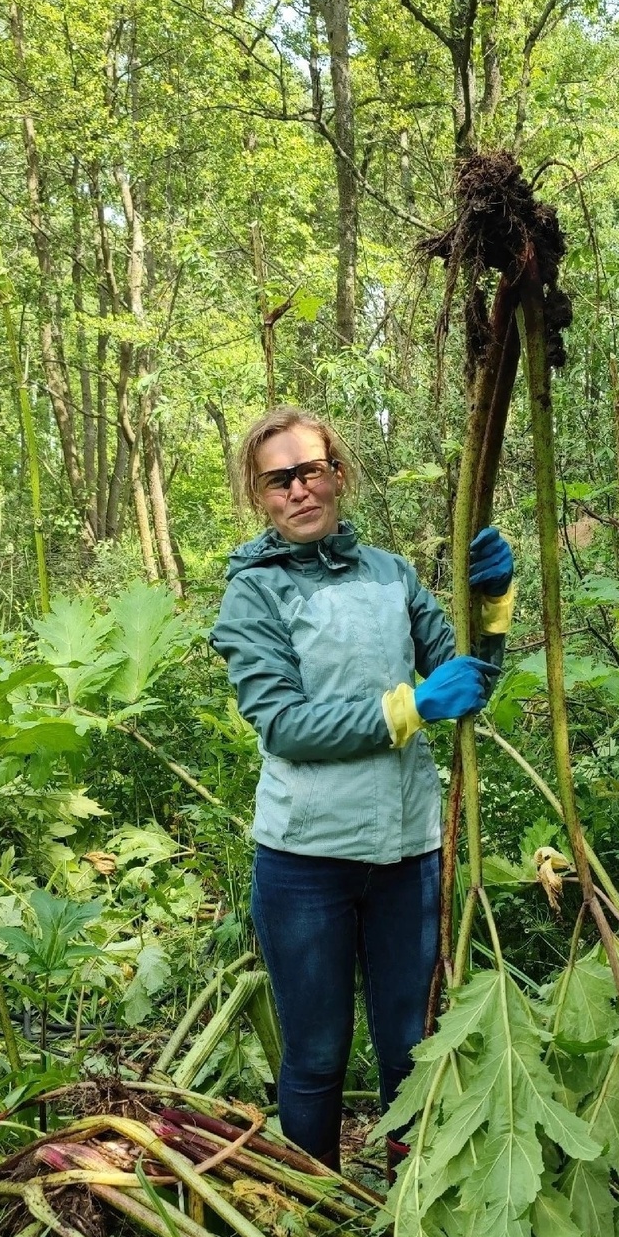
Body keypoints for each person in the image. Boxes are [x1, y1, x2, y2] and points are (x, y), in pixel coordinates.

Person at [210, 405, 514, 1169]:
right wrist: (411, 706)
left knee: (410, 1052)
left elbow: (469, 681)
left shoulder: (392, 574)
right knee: (315, 1058)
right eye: (279, 481)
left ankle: (411, 1211)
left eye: (312, 470)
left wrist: (495, 603)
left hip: (409, 855)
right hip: (306, 859)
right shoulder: (254, 594)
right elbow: (284, 725)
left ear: (338, 474)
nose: (299, 491)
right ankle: (313, 1220)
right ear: (260, 496)